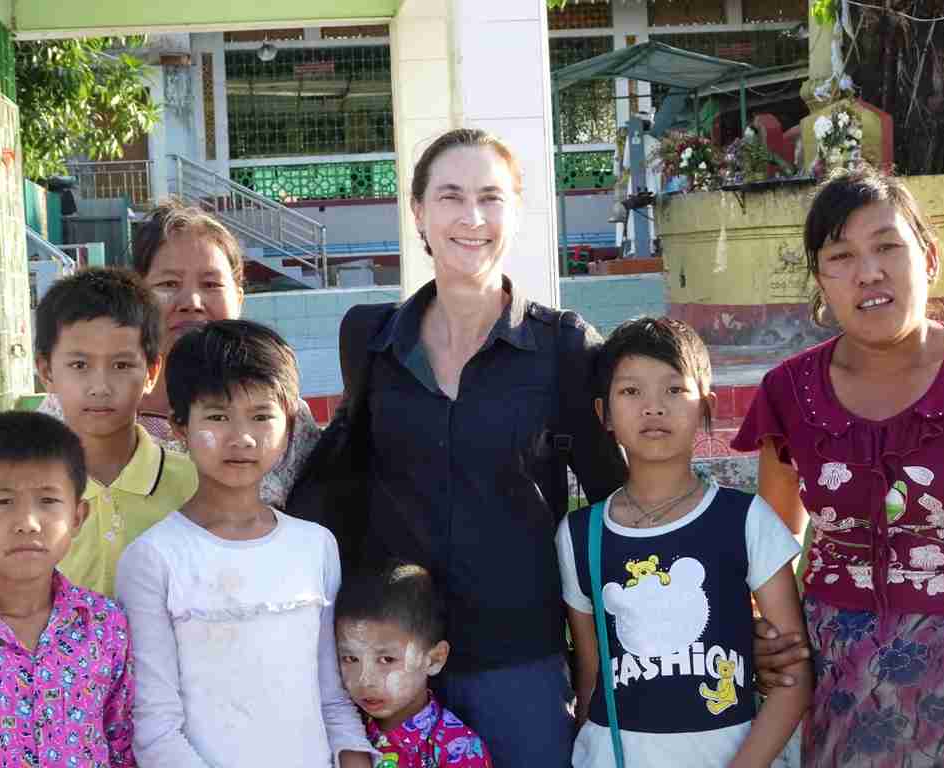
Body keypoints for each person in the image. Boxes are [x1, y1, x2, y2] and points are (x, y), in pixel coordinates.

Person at [294, 127, 808, 767]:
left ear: (515, 212)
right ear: (419, 211)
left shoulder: (563, 348)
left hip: (518, 666)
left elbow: (623, 507)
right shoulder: (368, 339)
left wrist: (728, 628)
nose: (471, 217)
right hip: (397, 671)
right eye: (451, 195)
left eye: (491, 197)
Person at [732, 167, 944, 766]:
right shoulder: (790, 392)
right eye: (841, 256)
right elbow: (774, 542)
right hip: (844, 676)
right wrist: (773, 639)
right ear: (820, 279)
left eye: (888, 246)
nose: (868, 272)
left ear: (930, 256)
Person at [114, 320, 375, 767]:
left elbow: (332, 700)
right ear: (179, 426)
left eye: (261, 416)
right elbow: (156, 730)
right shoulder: (153, 559)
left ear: (289, 424)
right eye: (217, 416)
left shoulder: (315, 547)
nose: (242, 438)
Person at [558, 317, 810, 767]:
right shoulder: (580, 534)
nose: (653, 407)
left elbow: (794, 677)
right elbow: (591, 677)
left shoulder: (747, 519)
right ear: (604, 415)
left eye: (674, 390)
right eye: (631, 391)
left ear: (705, 407)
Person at [40, 199, 320, 507]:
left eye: (211, 283)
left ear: (239, 299)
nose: (192, 301)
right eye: (169, 284)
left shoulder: (284, 415)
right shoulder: (71, 409)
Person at [0, 268, 197, 596]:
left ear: (152, 371)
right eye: (80, 365)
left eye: (122, 365)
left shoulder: (195, 486)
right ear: (46, 371)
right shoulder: (13, 493)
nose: (100, 387)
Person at [0, 411, 135, 764]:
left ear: (78, 517)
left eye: (48, 501)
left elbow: (121, 743)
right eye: (3, 501)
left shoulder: (106, 626)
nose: (28, 523)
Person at [335, 561, 492, 767]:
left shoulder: (459, 751)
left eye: (386, 659)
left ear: (434, 659)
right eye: (350, 659)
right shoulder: (337, 735)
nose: (365, 680)